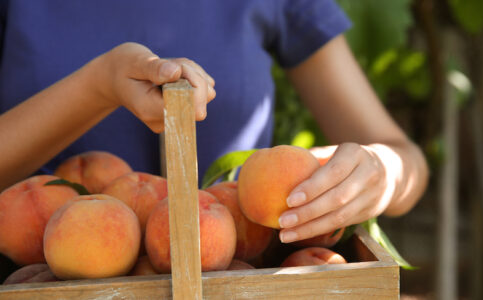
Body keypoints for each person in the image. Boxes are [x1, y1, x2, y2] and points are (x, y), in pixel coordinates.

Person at [0, 0, 428, 244]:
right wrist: (98, 86)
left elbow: (404, 158)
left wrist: (381, 170)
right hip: (40, 277)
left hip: (234, 273)